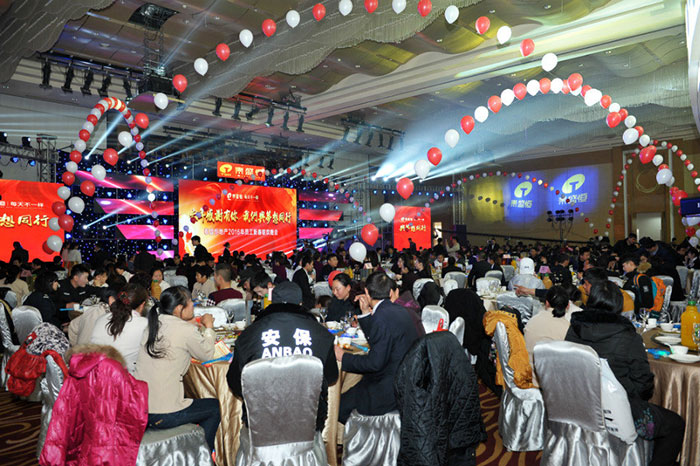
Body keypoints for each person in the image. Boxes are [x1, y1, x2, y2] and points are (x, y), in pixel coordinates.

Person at [566, 281, 685, 466]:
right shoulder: (628, 336)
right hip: (620, 413)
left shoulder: (574, 328)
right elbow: (643, 383)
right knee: (675, 424)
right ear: (618, 305)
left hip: (579, 405)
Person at [227, 281, 338, 432]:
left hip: (260, 424)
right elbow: (331, 377)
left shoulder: (248, 336)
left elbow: (235, 382)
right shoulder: (322, 335)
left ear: (272, 303)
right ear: (300, 303)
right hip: (309, 423)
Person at [134, 286, 220, 452]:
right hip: (165, 414)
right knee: (214, 407)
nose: (193, 306)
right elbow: (207, 354)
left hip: (141, 408)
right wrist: (209, 327)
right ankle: (204, 456)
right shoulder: (185, 330)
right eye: (190, 302)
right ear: (179, 308)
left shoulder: (153, 325)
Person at [336, 272, 420, 423]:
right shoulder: (399, 310)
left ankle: (349, 437)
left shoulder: (382, 316)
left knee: (338, 406)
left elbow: (374, 363)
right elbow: (379, 339)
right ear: (390, 292)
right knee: (352, 388)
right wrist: (364, 313)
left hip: (387, 390)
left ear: (367, 292)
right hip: (405, 381)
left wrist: (343, 357)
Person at [90, 283, 148, 373]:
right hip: (125, 376)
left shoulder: (101, 319)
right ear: (142, 305)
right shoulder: (144, 324)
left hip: (96, 373)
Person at [523, 286, 572, 382]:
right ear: (568, 306)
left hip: (528, 377)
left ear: (546, 303)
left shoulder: (532, 321)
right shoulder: (568, 329)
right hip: (553, 383)